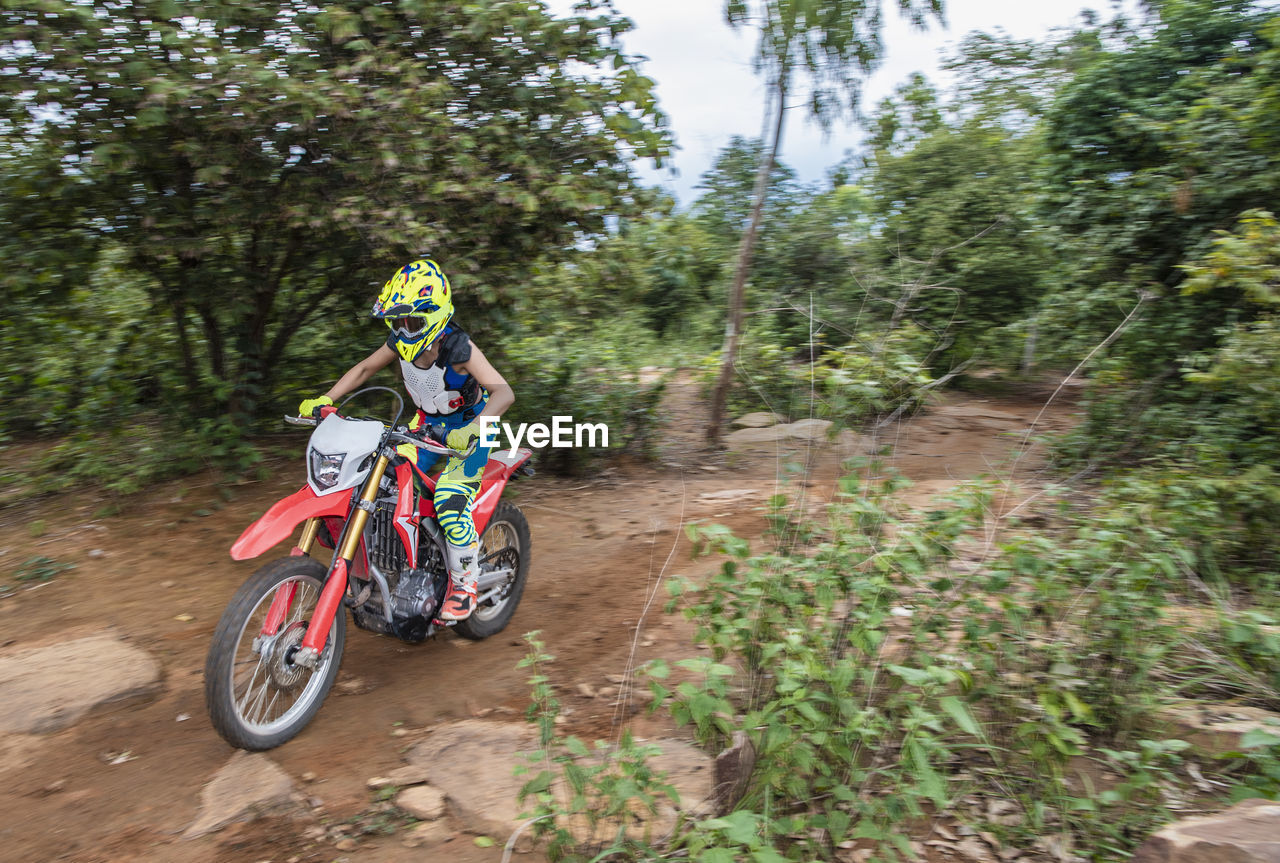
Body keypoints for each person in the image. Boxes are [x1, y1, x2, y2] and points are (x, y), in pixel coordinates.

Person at [298, 259, 515, 621]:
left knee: (449, 499)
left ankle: (465, 585)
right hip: (424, 424)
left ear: (434, 316)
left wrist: (475, 428)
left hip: (471, 429)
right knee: (378, 482)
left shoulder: (458, 348)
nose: (403, 330)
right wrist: (327, 399)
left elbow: (504, 393)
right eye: (397, 322)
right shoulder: (400, 343)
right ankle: (397, 561)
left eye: (412, 322)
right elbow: (366, 368)